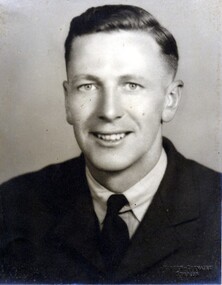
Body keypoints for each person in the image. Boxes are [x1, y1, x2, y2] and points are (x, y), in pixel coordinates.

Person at [0, 4, 220, 284]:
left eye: (131, 85)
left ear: (170, 100)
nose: (109, 110)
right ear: (68, 101)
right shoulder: (12, 207)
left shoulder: (217, 208)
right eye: (88, 86)